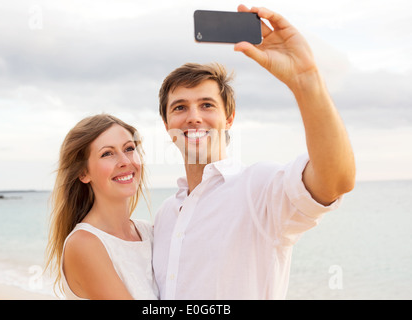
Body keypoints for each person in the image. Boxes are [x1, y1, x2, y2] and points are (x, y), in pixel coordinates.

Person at [153, 5, 356, 299]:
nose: (193, 116)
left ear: (229, 117)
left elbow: (335, 181)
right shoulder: (165, 215)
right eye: (180, 107)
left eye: (207, 105)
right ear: (166, 123)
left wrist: (306, 80)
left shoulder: (258, 187)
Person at [45, 114, 159, 300]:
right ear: (83, 172)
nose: (125, 161)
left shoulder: (149, 232)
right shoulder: (84, 244)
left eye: (129, 149)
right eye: (107, 153)